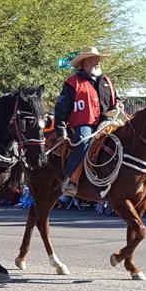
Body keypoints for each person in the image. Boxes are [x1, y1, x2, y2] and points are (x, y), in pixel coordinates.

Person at [54, 46, 118, 196]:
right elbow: (61, 108)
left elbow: (115, 100)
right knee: (84, 141)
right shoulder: (72, 83)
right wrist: (61, 130)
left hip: (108, 121)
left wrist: (119, 104)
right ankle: (69, 179)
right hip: (84, 123)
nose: (98, 61)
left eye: (98, 59)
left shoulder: (106, 81)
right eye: (94, 58)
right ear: (84, 62)